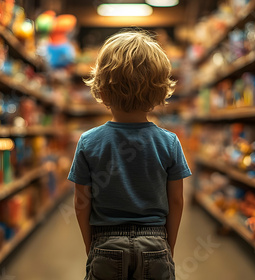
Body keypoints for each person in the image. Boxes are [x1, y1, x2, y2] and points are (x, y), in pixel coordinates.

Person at [68, 29, 191, 280]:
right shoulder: (169, 142)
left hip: (105, 244)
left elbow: (81, 204)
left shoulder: (88, 142)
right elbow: (176, 202)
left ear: (101, 90)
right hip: (155, 242)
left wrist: (91, 249)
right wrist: (168, 247)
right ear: (160, 92)